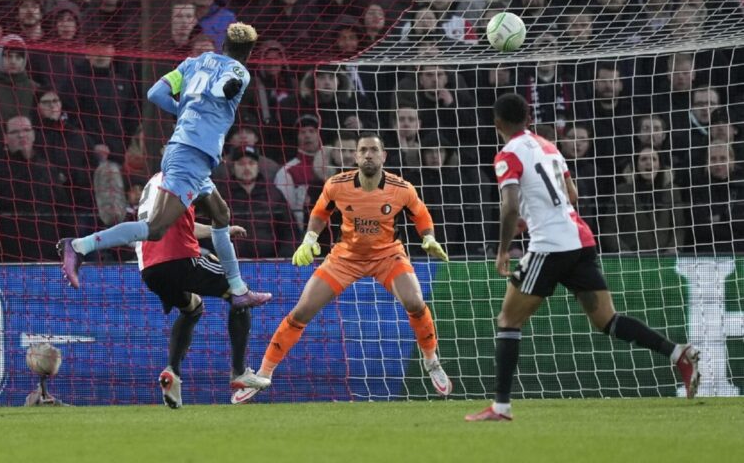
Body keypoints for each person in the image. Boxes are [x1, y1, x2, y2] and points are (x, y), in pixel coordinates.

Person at [465, 94, 700, 422]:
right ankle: (678, 353)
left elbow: (510, 206)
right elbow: (571, 195)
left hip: (549, 247)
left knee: (508, 321)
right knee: (608, 320)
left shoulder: (506, 155)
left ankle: (500, 408)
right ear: (529, 118)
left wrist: (504, 248)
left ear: (497, 124)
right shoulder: (548, 146)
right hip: (580, 239)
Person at [57, 22, 271, 309]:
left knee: (221, 214)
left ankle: (238, 288)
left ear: (223, 45)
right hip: (192, 154)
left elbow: (155, 94)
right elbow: (223, 89)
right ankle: (80, 245)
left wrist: (184, 108)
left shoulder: (193, 63)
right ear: (249, 52)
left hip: (186, 149)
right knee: (156, 228)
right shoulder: (239, 71)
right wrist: (223, 91)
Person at [232, 132, 452, 403]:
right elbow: (320, 212)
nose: (368, 154)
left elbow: (420, 213)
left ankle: (431, 361)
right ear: (355, 156)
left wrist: (428, 237)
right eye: (363, 150)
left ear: (384, 156)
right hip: (345, 257)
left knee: (415, 303)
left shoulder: (401, 188)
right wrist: (309, 239)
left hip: (387, 256)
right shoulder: (337, 185)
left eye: (374, 150)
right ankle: (263, 374)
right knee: (302, 311)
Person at [132, 171, 272, 409]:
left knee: (192, 308)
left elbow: (178, 224)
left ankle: (172, 372)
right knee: (240, 294)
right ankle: (239, 374)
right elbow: (219, 212)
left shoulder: (153, 181)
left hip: (149, 268)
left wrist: (220, 230)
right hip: (178, 259)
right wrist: (220, 225)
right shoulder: (188, 173)